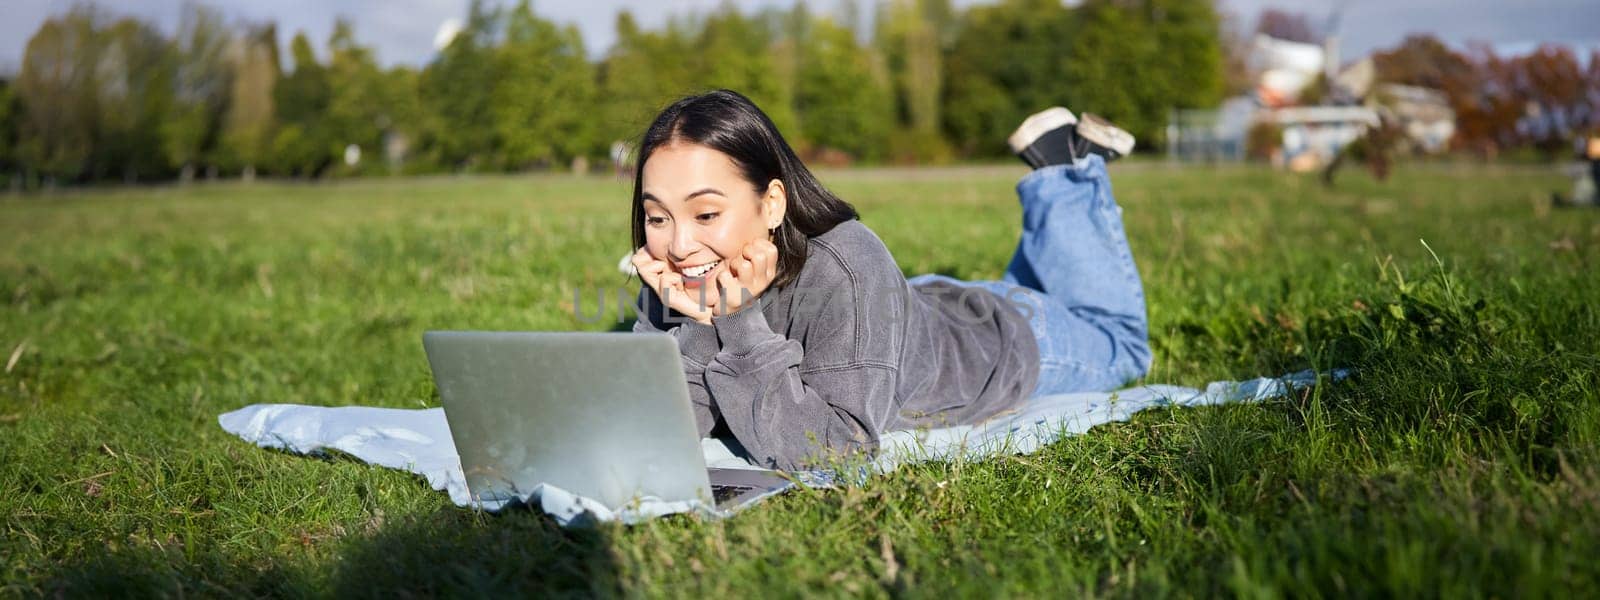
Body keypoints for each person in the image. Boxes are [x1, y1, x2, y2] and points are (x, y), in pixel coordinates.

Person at [627, 90, 1150, 470]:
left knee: (1123, 346)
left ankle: (1068, 172)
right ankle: (1063, 173)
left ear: (772, 204)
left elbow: (835, 450)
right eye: (657, 217)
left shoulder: (847, 264)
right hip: (909, 314)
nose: (677, 245)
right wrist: (693, 318)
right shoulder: (683, 271)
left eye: (705, 214)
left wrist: (736, 320)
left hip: (1004, 343)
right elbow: (664, 425)